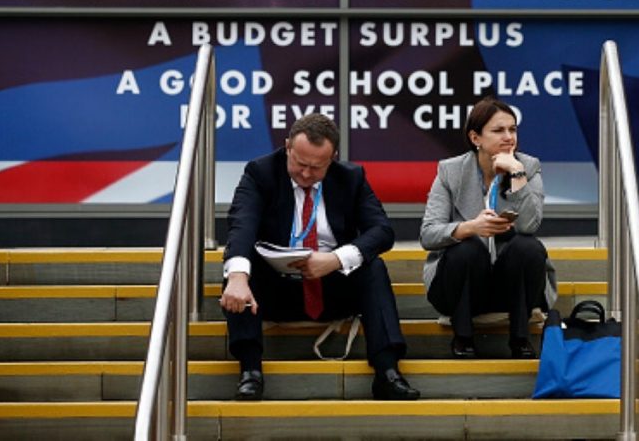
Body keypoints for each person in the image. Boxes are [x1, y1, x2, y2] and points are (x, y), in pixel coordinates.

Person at [220, 113, 419, 401]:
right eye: (300, 163)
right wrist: (237, 276)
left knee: (373, 266)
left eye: (317, 167)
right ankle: (250, 370)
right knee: (239, 266)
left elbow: (382, 231)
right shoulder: (260, 172)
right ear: (288, 146)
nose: (305, 174)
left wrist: (336, 259)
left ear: (333, 158)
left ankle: (388, 372)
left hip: (331, 284)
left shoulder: (351, 177)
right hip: (276, 286)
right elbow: (242, 225)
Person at [419, 97, 557, 359]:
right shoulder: (450, 171)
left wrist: (517, 174)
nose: (508, 137)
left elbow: (529, 225)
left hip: (513, 287)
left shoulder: (528, 166)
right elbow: (428, 234)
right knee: (466, 248)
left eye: (513, 129)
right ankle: (463, 338)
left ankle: (520, 339)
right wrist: (471, 227)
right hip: (463, 285)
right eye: (498, 130)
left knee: (528, 247)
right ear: (476, 138)